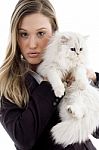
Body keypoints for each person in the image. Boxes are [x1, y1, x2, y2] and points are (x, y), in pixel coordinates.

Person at [0, 0, 99, 149]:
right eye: (24, 34)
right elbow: (23, 139)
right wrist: (49, 85)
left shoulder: (74, 66)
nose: (32, 44)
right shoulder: (8, 85)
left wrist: (95, 79)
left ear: (55, 34)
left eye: (41, 33)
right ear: (15, 37)